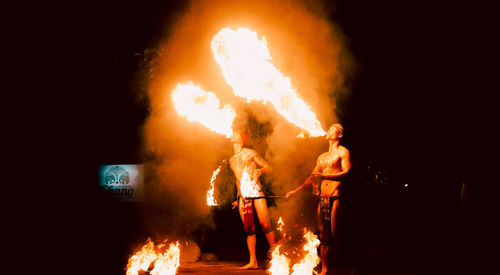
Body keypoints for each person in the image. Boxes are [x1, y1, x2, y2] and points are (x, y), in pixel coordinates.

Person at [286, 123, 351, 275]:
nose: (327, 131)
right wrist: (295, 191)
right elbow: (312, 177)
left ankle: (346, 266)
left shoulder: (343, 152)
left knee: (336, 235)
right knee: (324, 237)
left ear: (339, 135)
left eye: (331, 130)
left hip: (335, 197)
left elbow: (347, 171)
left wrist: (325, 176)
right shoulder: (322, 157)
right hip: (323, 199)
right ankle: (325, 270)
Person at [229, 130, 276, 269]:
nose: (233, 134)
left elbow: (268, 167)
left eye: (237, 133)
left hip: (256, 191)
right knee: (249, 228)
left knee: (265, 224)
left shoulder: (250, 153)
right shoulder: (231, 159)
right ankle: (253, 262)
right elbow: (238, 180)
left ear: (243, 139)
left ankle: (277, 254)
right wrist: (238, 197)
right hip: (243, 196)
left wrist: (259, 172)